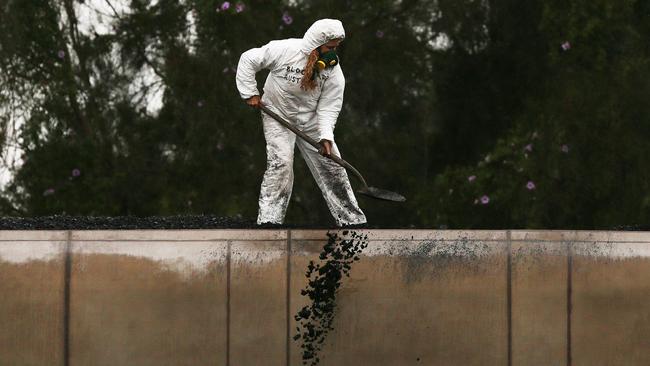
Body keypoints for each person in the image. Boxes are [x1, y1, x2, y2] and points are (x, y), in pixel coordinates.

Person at [236, 18, 367, 226]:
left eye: (336, 47)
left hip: (311, 120)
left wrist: (326, 137)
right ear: (316, 43)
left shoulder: (333, 71)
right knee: (281, 163)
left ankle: (353, 223)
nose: (333, 52)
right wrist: (249, 93)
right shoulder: (285, 50)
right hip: (277, 115)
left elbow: (329, 107)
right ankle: (270, 222)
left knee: (333, 166)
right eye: (329, 47)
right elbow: (248, 59)